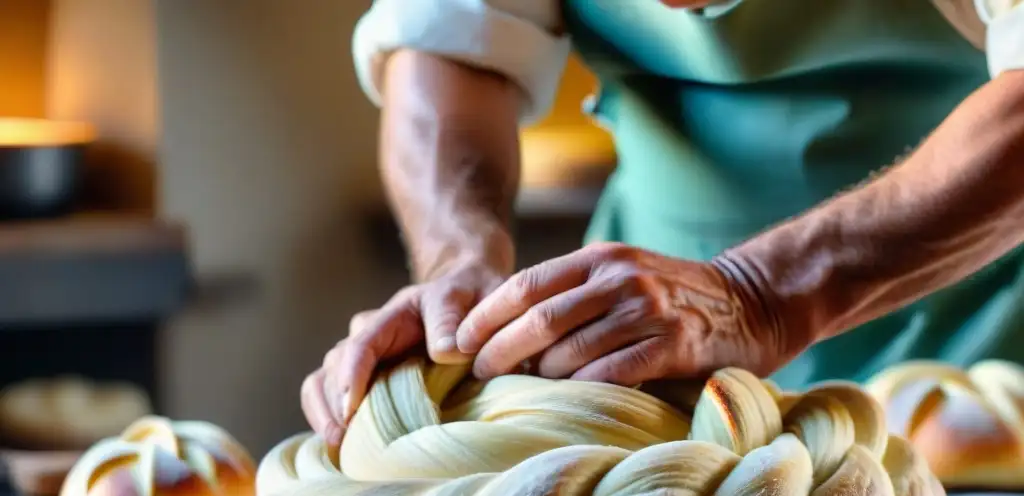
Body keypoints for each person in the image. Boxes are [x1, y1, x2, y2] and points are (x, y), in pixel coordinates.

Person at [303, 0, 1024, 447]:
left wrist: (758, 294)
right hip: (657, 386)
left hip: (988, 364)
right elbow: (449, 42)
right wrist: (458, 265)